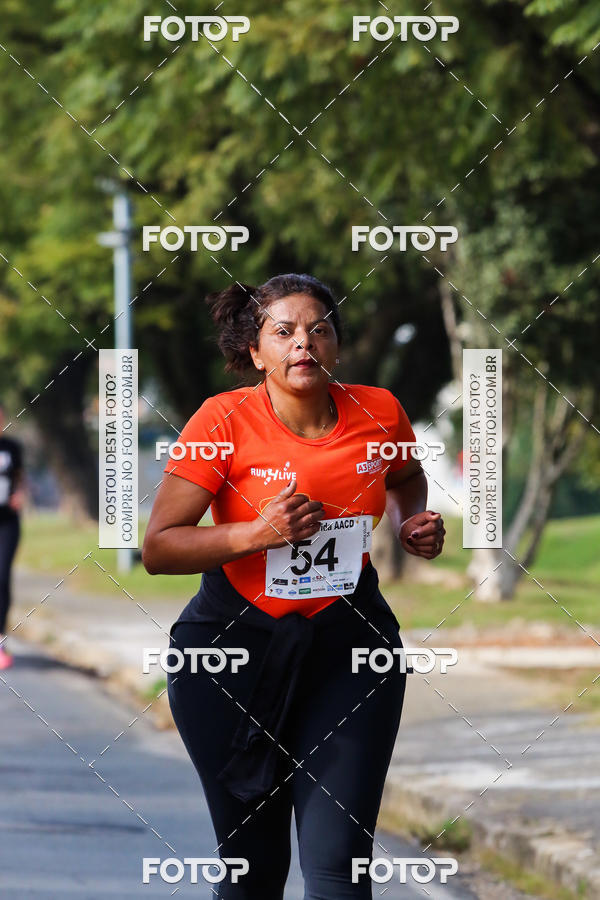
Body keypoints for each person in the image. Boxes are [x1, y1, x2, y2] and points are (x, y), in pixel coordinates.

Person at [142, 273, 445, 899]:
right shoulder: (222, 419)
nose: (303, 342)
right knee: (253, 869)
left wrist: (411, 520)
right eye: (283, 332)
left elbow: (406, 477)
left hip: (351, 650)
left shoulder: (379, 410)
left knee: (340, 867)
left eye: (319, 330)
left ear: (336, 346)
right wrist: (256, 535)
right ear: (256, 351)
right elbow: (160, 548)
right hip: (229, 657)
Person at [0, 407, 25, 671]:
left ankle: (0, 640)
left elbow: (19, 477)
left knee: (2, 577)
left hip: (7, 522)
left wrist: (19, 494)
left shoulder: (12, 448)